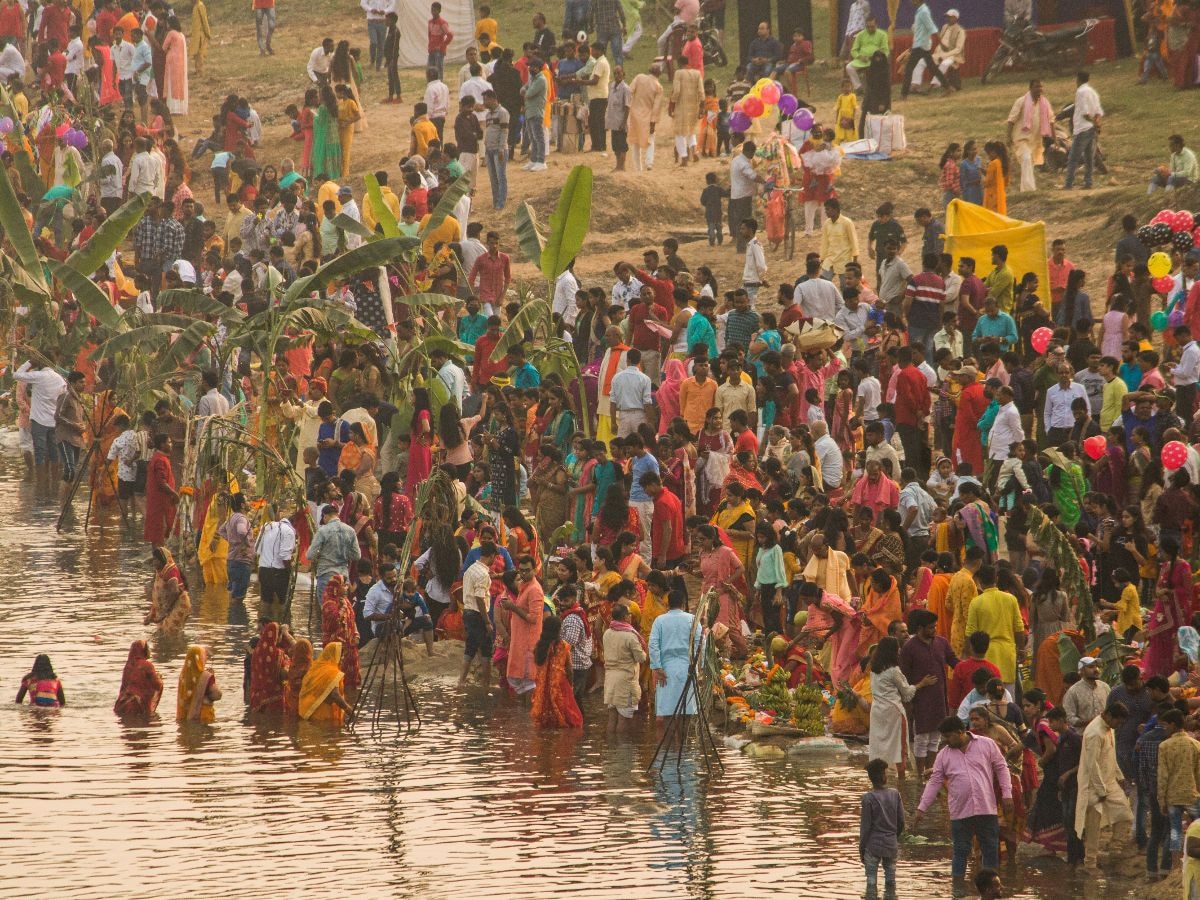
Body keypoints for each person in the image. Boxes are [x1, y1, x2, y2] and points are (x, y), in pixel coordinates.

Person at [914, 716, 1013, 882]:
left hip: (986, 808)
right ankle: (957, 890)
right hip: (960, 812)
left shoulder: (986, 744)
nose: (945, 741)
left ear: (960, 732)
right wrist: (921, 808)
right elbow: (935, 782)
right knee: (960, 851)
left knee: (990, 850)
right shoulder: (943, 756)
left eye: (948, 736)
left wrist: (1007, 794)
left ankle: (990, 887)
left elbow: (1002, 768)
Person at [1075, 701, 1133, 869]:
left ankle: (1115, 848)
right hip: (1093, 785)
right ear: (1108, 716)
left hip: (1109, 780)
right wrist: (1100, 790)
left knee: (1125, 813)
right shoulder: (1094, 733)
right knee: (1094, 825)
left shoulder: (1110, 729)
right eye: (1118, 721)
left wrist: (1120, 777)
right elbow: (1092, 764)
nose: (1118, 725)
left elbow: (1110, 756)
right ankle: (1090, 864)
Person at [869, 635, 937, 777]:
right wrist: (922, 683)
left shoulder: (874, 670)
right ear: (892, 651)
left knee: (879, 744)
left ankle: (878, 775)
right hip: (893, 711)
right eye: (897, 648)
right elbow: (906, 693)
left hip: (876, 711)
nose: (900, 650)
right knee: (898, 746)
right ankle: (901, 779)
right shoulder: (894, 671)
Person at [648, 590, 699, 722]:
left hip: (666, 669)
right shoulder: (692, 619)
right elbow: (700, 644)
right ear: (683, 603)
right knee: (686, 711)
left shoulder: (659, 621)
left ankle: (670, 742)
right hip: (687, 668)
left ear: (668, 604)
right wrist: (699, 666)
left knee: (668, 711)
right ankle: (683, 742)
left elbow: (653, 645)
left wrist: (657, 667)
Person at [859, 757, 905, 899]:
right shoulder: (895, 794)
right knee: (891, 882)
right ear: (884, 777)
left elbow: (865, 827)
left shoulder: (868, 798)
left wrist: (861, 848)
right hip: (891, 845)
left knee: (871, 883)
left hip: (873, 846)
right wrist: (893, 837)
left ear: (870, 778)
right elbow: (901, 822)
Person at [602, 602, 646, 733]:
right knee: (623, 718)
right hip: (626, 680)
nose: (631, 617)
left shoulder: (607, 633)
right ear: (625, 617)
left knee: (612, 716)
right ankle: (623, 750)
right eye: (629, 614)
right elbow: (641, 658)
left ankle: (612, 749)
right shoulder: (630, 636)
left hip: (610, 678)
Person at [1005, 79, 1052, 193]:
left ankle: (1025, 189)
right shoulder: (1021, 101)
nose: (1039, 89)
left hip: (1035, 139)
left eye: (1041, 87)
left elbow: (1051, 120)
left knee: (1029, 163)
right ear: (1030, 88)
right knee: (1026, 159)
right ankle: (1029, 189)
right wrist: (1008, 136)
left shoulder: (1044, 103)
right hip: (1021, 138)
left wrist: (1053, 137)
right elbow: (1011, 120)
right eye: (1036, 87)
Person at [1063, 71, 1103, 191]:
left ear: (1078, 79)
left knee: (1073, 157)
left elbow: (1085, 113)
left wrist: (1092, 122)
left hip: (1082, 128)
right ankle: (1088, 182)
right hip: (1091, 129)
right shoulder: (1093, 92)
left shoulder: (1080, 92)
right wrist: (1097, 124)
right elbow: (1098, 112)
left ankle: (1068, 183)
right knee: (1089, 157)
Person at [299, 642, 354, 725]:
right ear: (334, 655)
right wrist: (348, 709)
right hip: (321, 715)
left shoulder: (316, 667)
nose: (342, 659)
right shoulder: (331, 672)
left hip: (308, 710)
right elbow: (335, 695)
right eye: (340, 656)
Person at [114, 640, 163, 718]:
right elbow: (157, 685)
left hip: (122, 703)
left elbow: (124, 685)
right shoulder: (147, 665)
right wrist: (160, 679)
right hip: (137, 705)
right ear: (143, 651)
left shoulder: (128, 665)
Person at [176, 645, 220, 722]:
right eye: (204, 656)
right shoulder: (205, 676)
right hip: (203, 718)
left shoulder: (183, 675)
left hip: (185, 718)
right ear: (199, 658)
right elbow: (217, 695)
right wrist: (212, 679)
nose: (205, 658)